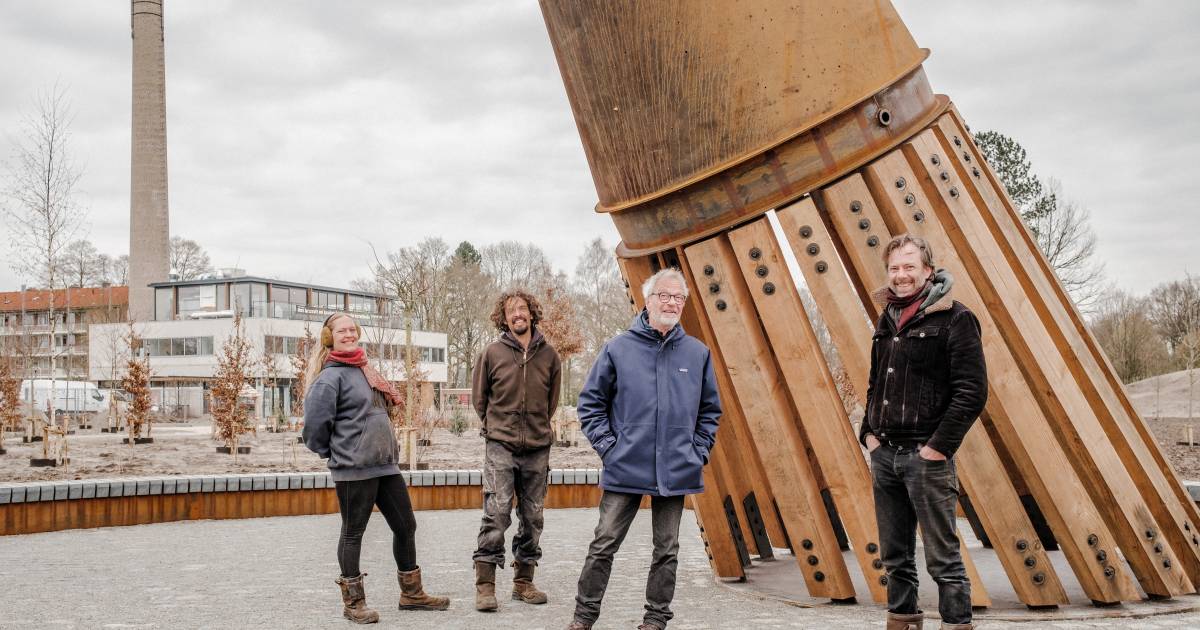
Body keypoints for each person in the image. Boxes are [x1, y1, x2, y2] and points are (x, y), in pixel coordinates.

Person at [566, 268, 721, 630]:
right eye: (663, 295)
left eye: (678, 297)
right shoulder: (618, 348)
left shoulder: (697, 354)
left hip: (677, 469)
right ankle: (583, 618)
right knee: (604, 544)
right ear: (647, 300)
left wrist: (697, 450)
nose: (671, 302)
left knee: (667, 551)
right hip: (626, 466)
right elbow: (590, 403)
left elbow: (710, 410)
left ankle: (655, 620)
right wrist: (609, 447)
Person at [858, 235, 987, 630]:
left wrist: (937, 448)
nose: (901, 275)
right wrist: (869, 435)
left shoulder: (955, 317)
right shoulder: (887, 319)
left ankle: (956, 623)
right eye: (895, 268)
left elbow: (972, 391)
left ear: (928, 271)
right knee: (895, 555)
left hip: (926, 458)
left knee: (942, 557)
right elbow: (875, 381)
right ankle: (903, 619)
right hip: (886, 456)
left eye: (909, 267)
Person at [303, 312, 450, 624]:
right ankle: (353, 603)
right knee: (353, 532)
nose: (348, 334)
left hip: (384, 465)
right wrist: (340, 453)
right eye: (341, 331)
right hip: (354, 469)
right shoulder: (329, 378)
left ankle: (411, 593)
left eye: (351, 329)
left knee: (406, 525)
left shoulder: (364, 369)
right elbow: (314, 428)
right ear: (330, 338)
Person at [471, 289, 562, 611]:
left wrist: (536, 426)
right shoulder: (492, 353)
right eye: (511, 310)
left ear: (531, 313)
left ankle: (523, 581)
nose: (517, 314)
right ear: (504, 317)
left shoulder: (550, 355)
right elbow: (479, 399)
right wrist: (498, 427)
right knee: (496, 513)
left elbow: (552, 401)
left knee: (533, 516)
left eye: (522, 308)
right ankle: (485, 585)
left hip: (538, 446)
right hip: (500, 444)